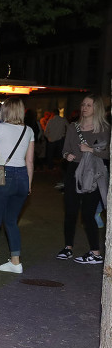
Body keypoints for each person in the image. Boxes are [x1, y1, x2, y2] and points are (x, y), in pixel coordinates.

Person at [56, 94, 110, 264]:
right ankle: (68, 247)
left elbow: (107, 153)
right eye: (83, 105)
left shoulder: (104, 129)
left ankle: (95, 253)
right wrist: (67, 155)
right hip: (74, 171)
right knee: (70, 211)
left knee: (88, 213)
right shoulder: (73, 127)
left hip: (93, 172)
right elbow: (65, 150)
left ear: (97, 108)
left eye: (89, 105)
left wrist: (91, 150)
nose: (84, 108)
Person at [0, 97, 34, 274]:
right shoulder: (28, 130)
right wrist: (29, 183)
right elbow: (30, 160)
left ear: (5, 110)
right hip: (22, 177)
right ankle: (15, 261)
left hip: (3, 176)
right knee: (11, 221)